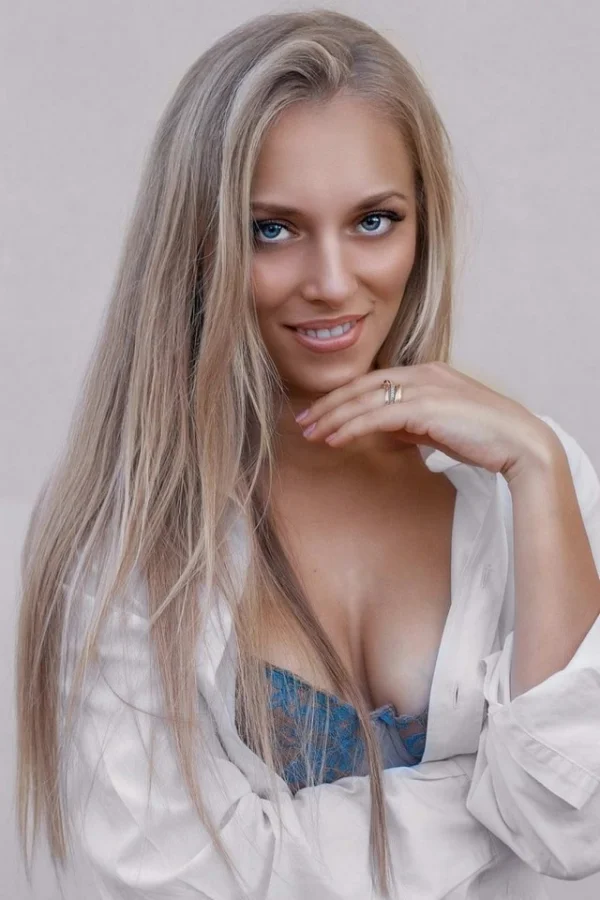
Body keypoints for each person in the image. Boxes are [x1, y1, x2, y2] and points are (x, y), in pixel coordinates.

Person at [15, 8, 600, 900]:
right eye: (273, 230)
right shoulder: (123, 531)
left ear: (424, 224)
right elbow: (170, 884)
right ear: (198, 244)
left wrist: (538, 463)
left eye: (374, 220)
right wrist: (479, 805)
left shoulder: (523, 484)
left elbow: (571, 824)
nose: (332, 281)